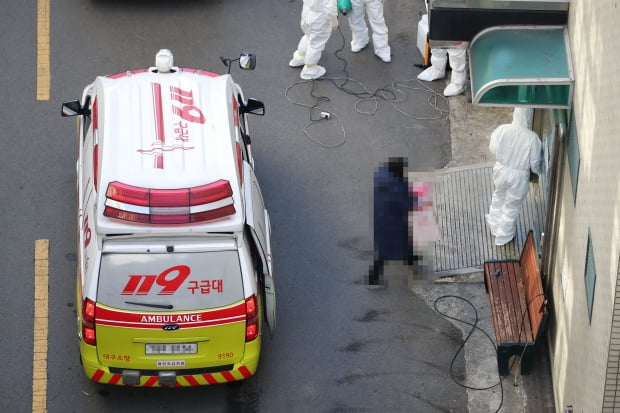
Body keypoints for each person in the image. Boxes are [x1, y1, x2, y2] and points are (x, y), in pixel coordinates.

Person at [485, 108, 543, 246]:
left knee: (499, 196)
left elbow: (493, 147)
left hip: (501, 170)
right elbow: (535, 164)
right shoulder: (532, 138)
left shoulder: (503, 129)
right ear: (528, 118)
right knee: (511, 205)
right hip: (519, 175)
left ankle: (494, 224)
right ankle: (504, 236)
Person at [369, 157, 417, 287]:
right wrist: (417, 199)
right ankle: (373, 279)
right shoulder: (395, 188)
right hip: (394, 222)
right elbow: (408, 204)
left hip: (382, 218)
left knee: (385, 250)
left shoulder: (382, 175)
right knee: (399, 245)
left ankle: (411, 261)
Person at [289, 0, 339, 80]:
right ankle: (309, 69)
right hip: (319, 17)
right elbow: (330, 7)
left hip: (306, 13)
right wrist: (334, 20)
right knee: (316, 44)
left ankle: (299, 57)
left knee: (308, 36)